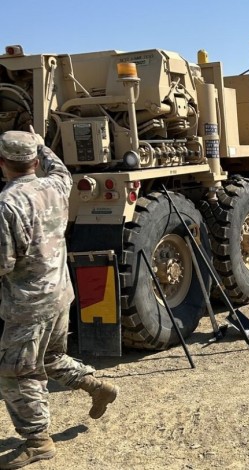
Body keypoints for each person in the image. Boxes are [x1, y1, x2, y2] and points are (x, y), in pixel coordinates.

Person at [0, 131, 118, 469]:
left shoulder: (8, 203)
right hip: (59, 293)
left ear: (2, 163)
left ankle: (38, 441)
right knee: (51, 358)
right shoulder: (56, 185)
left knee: (16, 373)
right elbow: (61, 169)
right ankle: (97, 387)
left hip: (29, 305)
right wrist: (41, 142)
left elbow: (4, 263)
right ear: (35, 161)